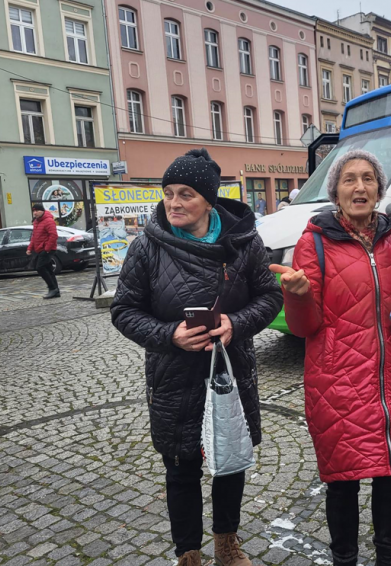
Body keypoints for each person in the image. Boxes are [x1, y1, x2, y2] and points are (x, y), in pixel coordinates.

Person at [110, 148, 283, 566]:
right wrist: (170, 335)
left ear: (208, 199)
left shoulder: (243, 243)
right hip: (174, 374)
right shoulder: (147, 246)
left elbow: (270, 296)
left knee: (229, 460)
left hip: (229, 371)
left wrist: (236, 324)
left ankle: (227, 541)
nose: (173, 203)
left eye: (185, 194)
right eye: (168, 193)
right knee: (181, 467)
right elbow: (123, 311)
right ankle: (188, 552)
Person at [271, 150, 391, 566]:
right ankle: (344, 558)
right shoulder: (314, 242)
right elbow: (305, 327)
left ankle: (388, 558)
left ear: (379, 188)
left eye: (368, 179)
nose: (359, 187)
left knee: (390, 475)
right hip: (338, 382)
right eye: (349, 180)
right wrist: (297, 295)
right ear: (336, 192)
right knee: (343, 480)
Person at [27, 204, 60, 299]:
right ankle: (55, 291)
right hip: (39, 249)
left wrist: (47, 249)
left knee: (40, 268)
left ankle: (52, 288)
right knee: (49, 269)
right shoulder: (36, 222)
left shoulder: (48, 221)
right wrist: (30, 248)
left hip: (47, 250)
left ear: (42, 211)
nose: (35, 213)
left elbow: (53, 236)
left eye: (37, 211)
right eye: (34, 211)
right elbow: (34, 236)